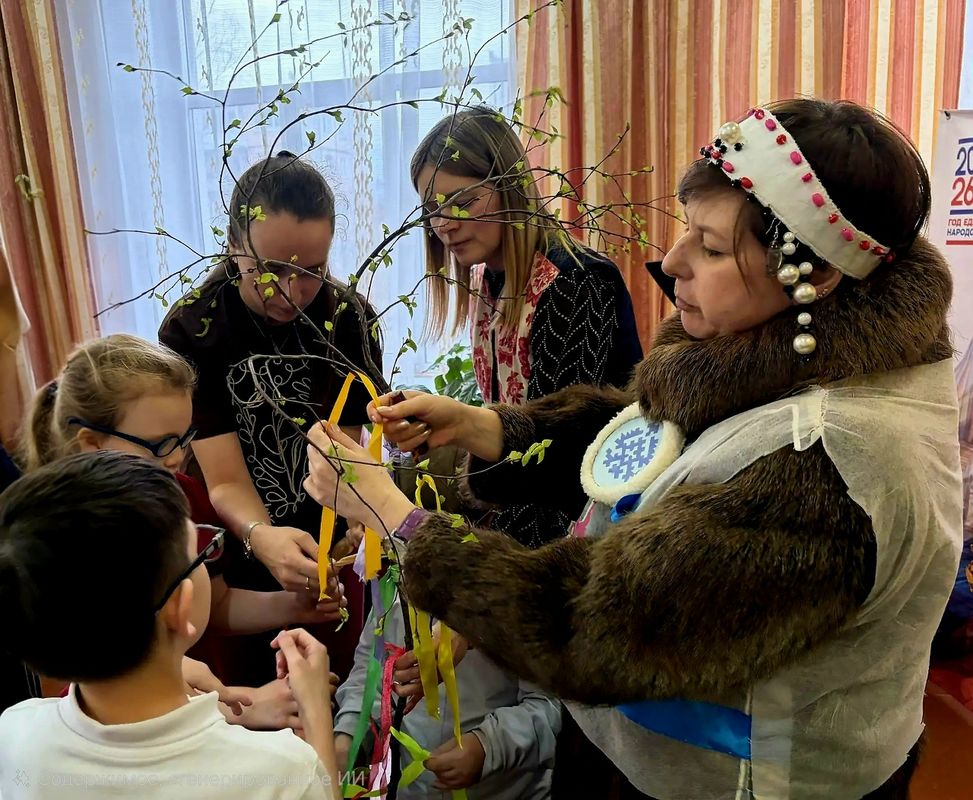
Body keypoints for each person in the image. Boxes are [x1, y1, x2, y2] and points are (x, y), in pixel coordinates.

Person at [302, 98, 962, 799]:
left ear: (819, 273)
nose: (670, 262)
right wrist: (480, 427)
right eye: (687, 231)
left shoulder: (824, 466)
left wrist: (392, 514)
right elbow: (648, 437)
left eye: (711, 248)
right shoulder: (774, 361)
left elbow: (590, 624)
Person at [21, 333, 342, 729]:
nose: (176, 458)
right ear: (92, 442)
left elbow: (217, 604)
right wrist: (238, 707)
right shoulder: (59, 537)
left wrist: (293, 606)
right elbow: (97, 686)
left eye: (185, 438)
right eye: (160, 444)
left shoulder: (184, 492)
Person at [160, 152, 381, 684]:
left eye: (312, 272)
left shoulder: (347, 319)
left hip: (327, 563)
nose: (290, 292)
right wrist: (263, 537)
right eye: (271, 269)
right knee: (249, 702)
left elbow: (345, 454)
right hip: (237, 569)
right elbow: (224, 480)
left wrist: (351, 526)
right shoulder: (196, 328)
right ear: (234, 246)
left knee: (337, 695)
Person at [0, 451, 338, 799]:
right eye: (201, 552)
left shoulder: (15, 734)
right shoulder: (280, 771)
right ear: (180, 605)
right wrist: (315, 716)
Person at [411, 106, 643, 548]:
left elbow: (560, 459)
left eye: (463, 202)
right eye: (432, 210)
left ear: (510, 188)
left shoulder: (577, 282)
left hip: (592, 536)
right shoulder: (488, 280)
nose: (444, 225)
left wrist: (492, 558)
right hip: (530, 527)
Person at [333, 607, 559, 798]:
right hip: (407, 791)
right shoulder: (396, 580)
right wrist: (351, 732)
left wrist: (488, 746)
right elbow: (370, 669)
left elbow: (550, 706)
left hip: (502, 791)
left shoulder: (528, 598)